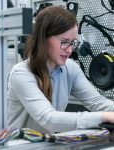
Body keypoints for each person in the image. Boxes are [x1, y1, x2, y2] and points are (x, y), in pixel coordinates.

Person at [7, 6, 114, 134]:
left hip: (49, 144)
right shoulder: (21, 74)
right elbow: (49, 118)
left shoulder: (70, 68)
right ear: (44, 39)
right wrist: (104, 117)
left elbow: (97, 102)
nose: (69, 50)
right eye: (64, 42)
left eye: (72, 43)